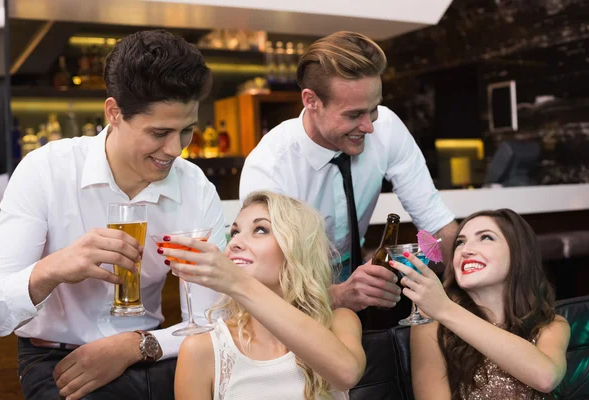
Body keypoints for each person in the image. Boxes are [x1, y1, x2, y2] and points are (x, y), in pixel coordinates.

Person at [0, 30, 226, 400]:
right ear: (114, 113)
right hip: (55, 360)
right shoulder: (46, 170)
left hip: (154, 352)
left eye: (187, 131)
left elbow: (215, 320)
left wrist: (135, 346)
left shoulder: (194, 188)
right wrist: (54, 267)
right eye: (160, 132)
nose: (176, 149)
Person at [239, 31, 458, 322]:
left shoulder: (388, 128)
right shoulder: (270, 166)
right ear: (311, 101)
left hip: (363, 287)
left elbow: (439, 225)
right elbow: (260, 287)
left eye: (374, 109)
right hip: (293, 307)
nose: (369, 126)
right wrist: (340, 295)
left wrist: (461, 292)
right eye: (354, 115)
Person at [158, 191, 366, 399]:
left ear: (296, 248)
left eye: (260, 229)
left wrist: (239, 283)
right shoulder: (201, 349)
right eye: (235, 232)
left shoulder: (339, 322)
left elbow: (346, 374)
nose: (234, 243)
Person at [390, 209, 570, 399]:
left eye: (486, 238)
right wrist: (441, 310)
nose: (466, 250)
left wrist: (445, 308)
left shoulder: (551, 325)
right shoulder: (431, 320)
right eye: (460, 242)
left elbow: (546, 377)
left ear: (519, 253)